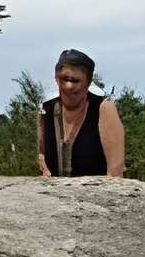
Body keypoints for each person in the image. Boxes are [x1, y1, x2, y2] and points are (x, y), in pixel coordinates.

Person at [36, 50, 125, 178]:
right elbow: (42, 158)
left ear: (88, 82)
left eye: (75, 81)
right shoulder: (45, 110)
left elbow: (116, 172)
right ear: (56, 78)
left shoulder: (104, 108)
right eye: (64, 79)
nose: (68, 86)